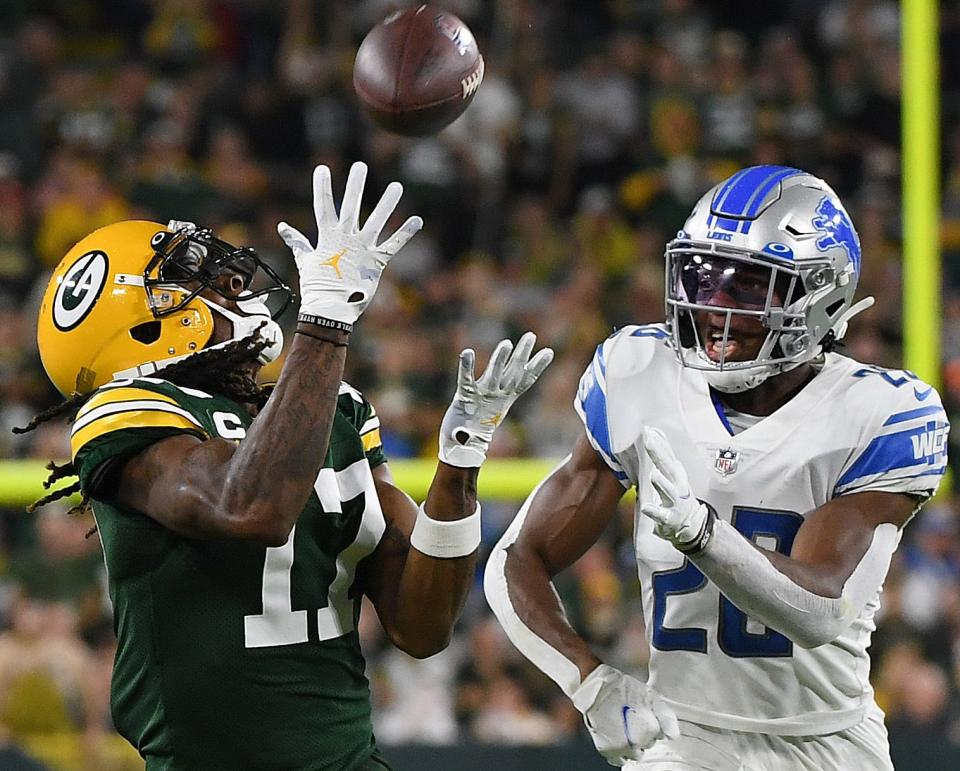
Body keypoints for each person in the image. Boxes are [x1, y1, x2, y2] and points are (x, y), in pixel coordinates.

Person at [23, 161, 553, 770]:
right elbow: (249, 507)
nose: (229, 280)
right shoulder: (127, 413)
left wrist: (461, 460)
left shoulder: (334, 407)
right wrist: (324, 325)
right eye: (192, 276)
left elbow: (421, 626)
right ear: (140, 326)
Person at [484, 165, 950, 770]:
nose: (713, 308)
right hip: (683, 736)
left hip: (829, 743)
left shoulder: (878, 411)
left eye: (749, 287)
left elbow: (820, 612)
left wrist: (704, 536)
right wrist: (589, 682)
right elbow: (516, 557)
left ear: (822, 296)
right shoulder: (639, 372)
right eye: (704, 279)